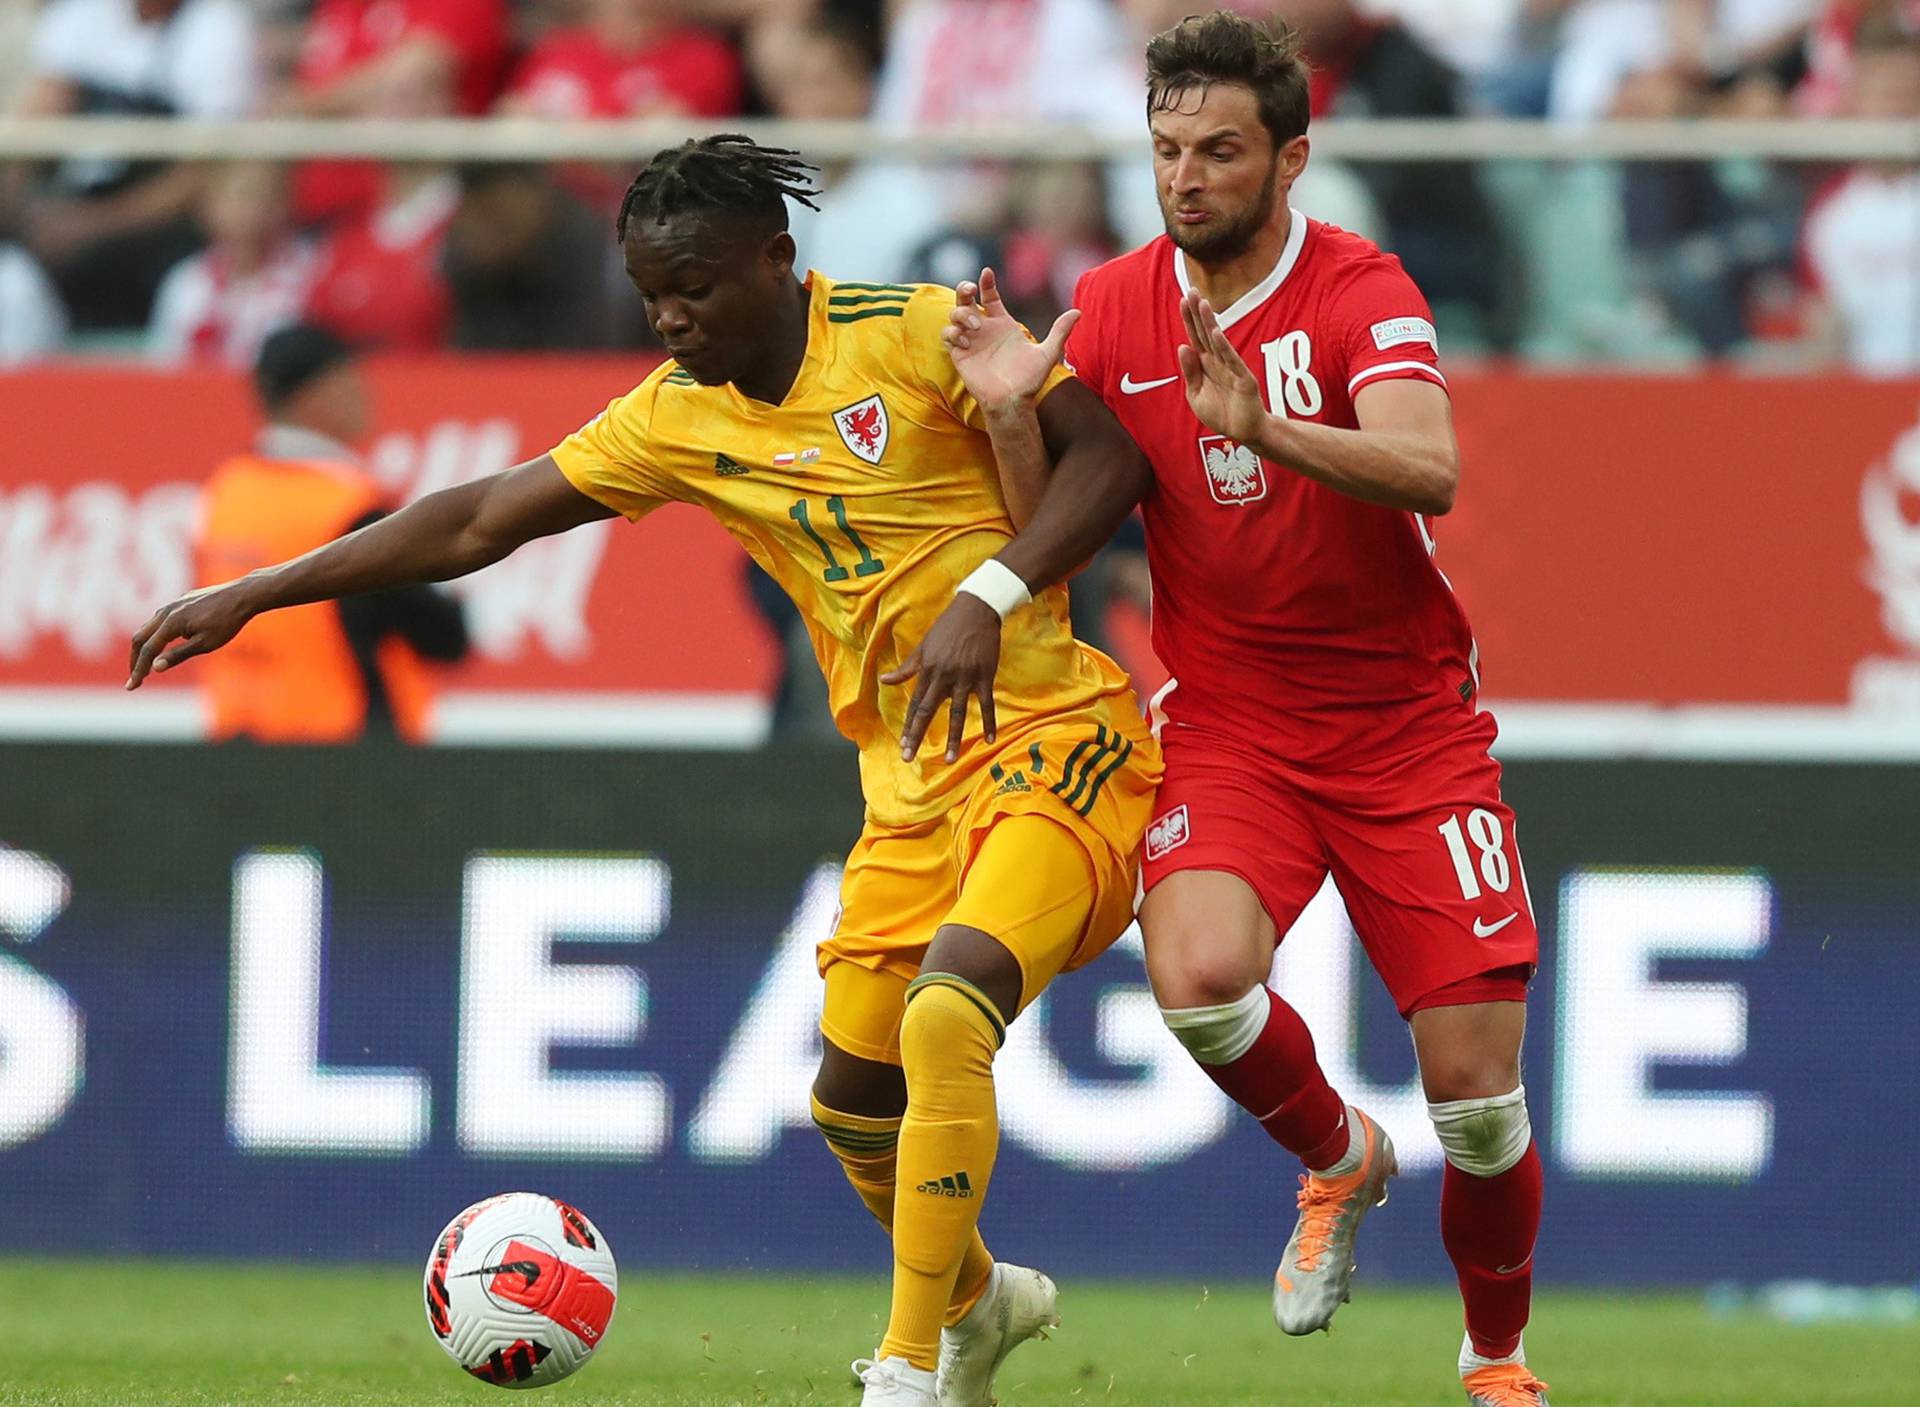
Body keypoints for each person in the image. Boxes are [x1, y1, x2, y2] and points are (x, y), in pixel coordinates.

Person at [128, 135, 1163, 1407]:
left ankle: (909, 1371)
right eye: (651, 293)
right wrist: (257, 590)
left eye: (698, 286)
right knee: (850, 1104)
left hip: (1061, 735)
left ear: (779, 262)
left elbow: (1111, 461)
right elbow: (479, 518)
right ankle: (977, 1301)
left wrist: (992, 594)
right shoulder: (675, 418)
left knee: (947, 1015)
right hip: (910, 785)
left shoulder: (919, 333)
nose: (671, 316)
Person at [930, 13, 1549, 1406]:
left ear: (1292, 156)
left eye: (1219, 150)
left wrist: (1261, 423)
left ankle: (1496, 1355)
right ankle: (1337, 1154)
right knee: (1199, 976)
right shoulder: (1111, 300)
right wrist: (1017, 414)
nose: (1186, 176)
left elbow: (1428, 466)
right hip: (1231, 714)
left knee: (1481, 1102)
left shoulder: (1362, 287)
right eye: (1165, 150)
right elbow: (1059, 539)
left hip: (1406, 726)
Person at [193, 324, 470, 743]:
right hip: (343, 754)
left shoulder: (226, 490)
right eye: (350, 377)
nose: (365, 392)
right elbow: (444, 637)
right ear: (314, 393)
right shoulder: (349, 511)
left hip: (239, 745)